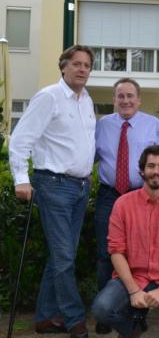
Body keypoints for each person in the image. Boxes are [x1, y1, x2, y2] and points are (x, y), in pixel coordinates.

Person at [9, 45, 96, 338]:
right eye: (76, 64)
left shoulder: (86, 100)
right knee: (64, 257)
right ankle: (74, 320)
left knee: (62, 256)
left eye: (87, 65)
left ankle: (45, 317)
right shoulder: (49, 97)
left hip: (81, 188)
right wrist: (21, 178)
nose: (82, 69)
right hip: (54, 186)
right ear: (63, 67)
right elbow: (20, 140)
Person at [91, 146, 159, 338]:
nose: (156, 171)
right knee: (101, 309)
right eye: (151, 166)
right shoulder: (123, 204)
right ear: (142, 170)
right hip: (131, 277)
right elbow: (116, 251)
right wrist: (134, 291)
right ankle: (130, 329)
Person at [93, 78, 159, 334]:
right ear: (114, 100)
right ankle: (110, 313)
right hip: (110, 195)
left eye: (130, 96)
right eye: (120, 96)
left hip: (143, 195)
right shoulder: (102, 125)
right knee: (107, 253)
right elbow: (90, 158)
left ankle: (139, 313)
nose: (125, 101)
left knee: (143, 253)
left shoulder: (155, 126)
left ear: (139, 99)